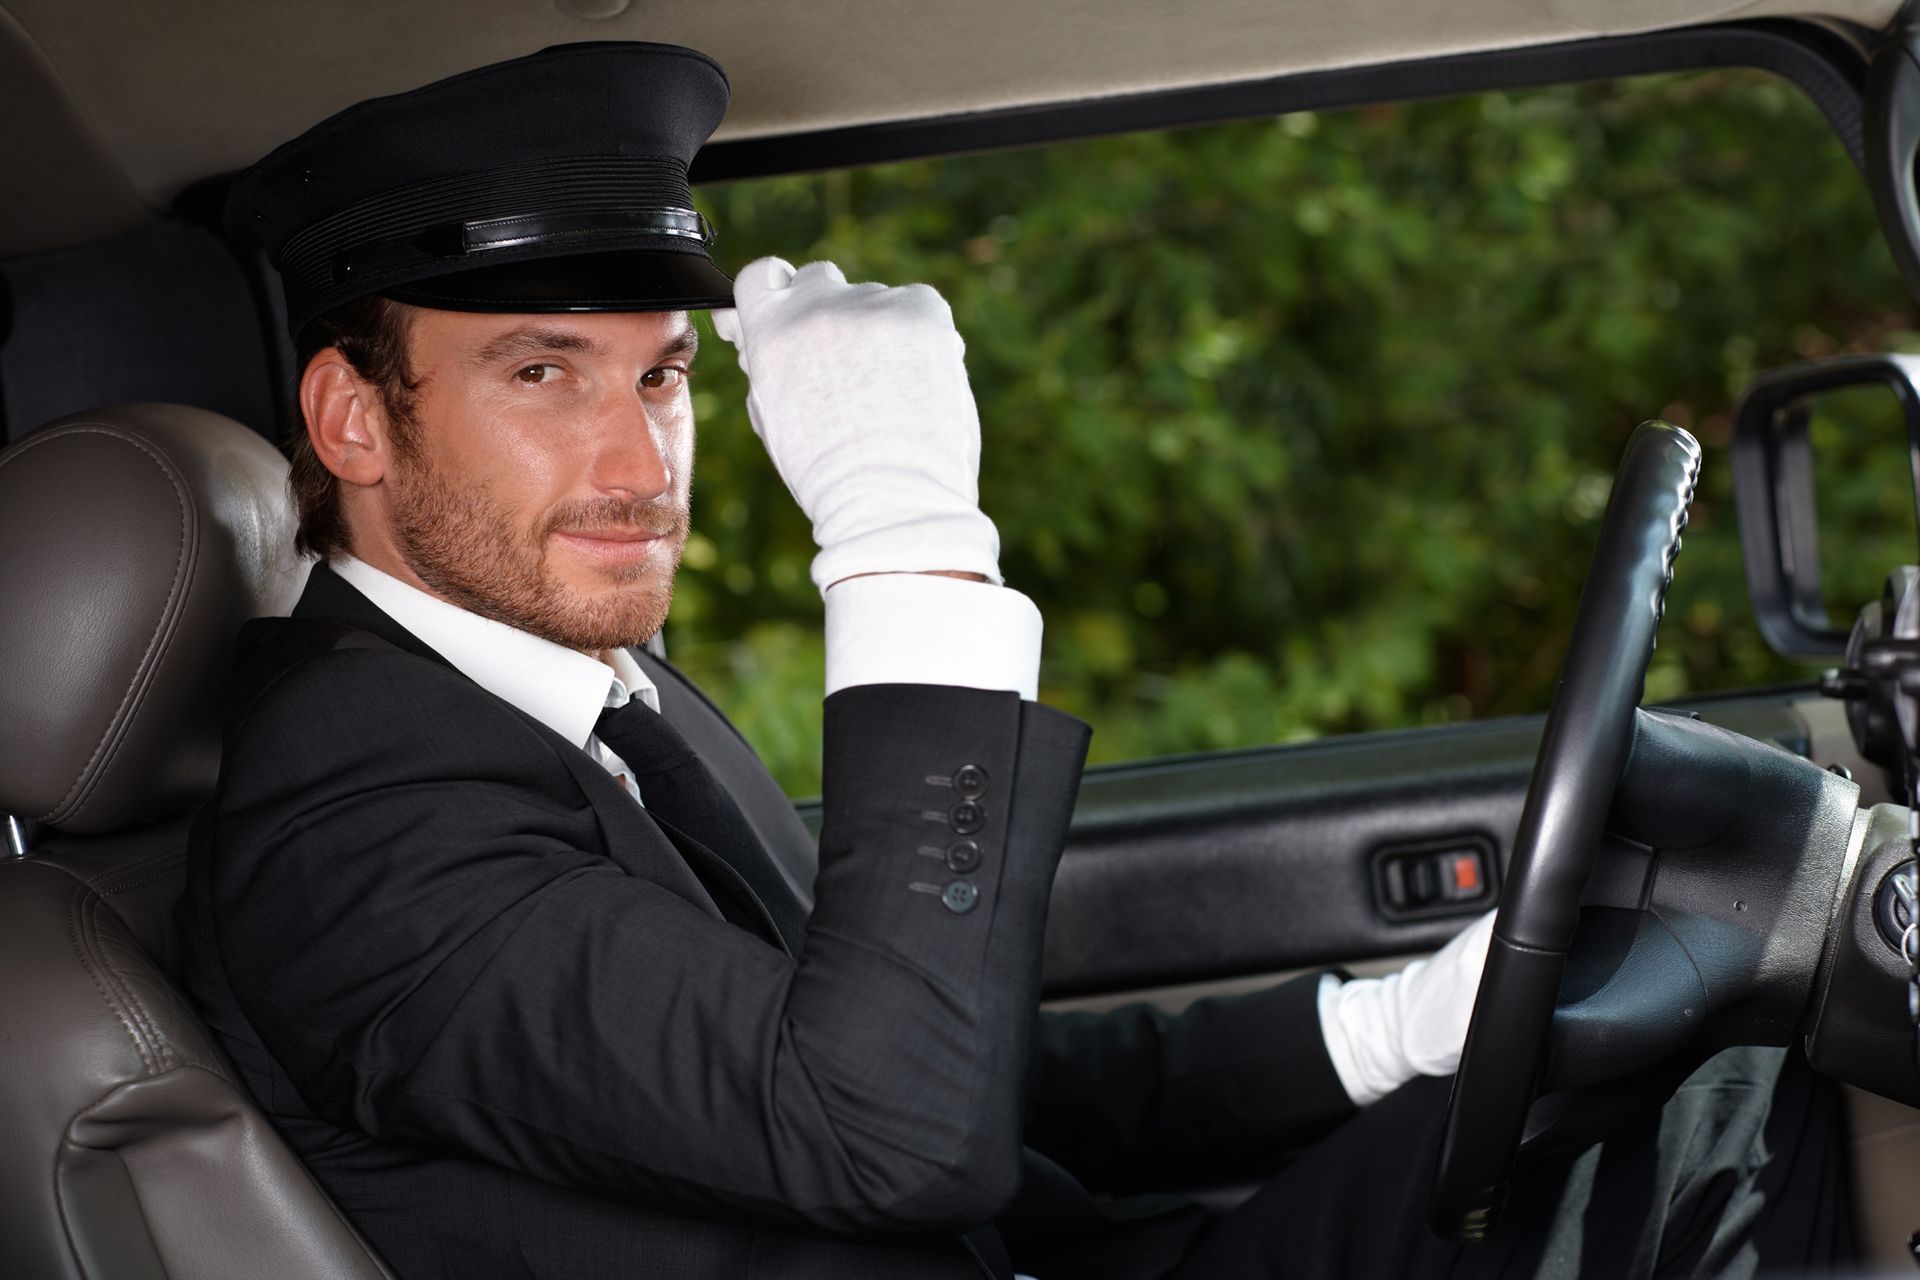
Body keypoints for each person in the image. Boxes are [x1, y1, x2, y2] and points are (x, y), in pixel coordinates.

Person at [174, 40, 1847, 1280]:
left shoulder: (589, 696)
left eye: (665, 377)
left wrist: (1395, 1027)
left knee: (1717, 1096)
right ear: (351, 419)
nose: (640, 463)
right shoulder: (346, 824)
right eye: (543, 374)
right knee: (1733, 1165)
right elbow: (886, 1123)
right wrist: (904, 538)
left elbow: (957, 1061)